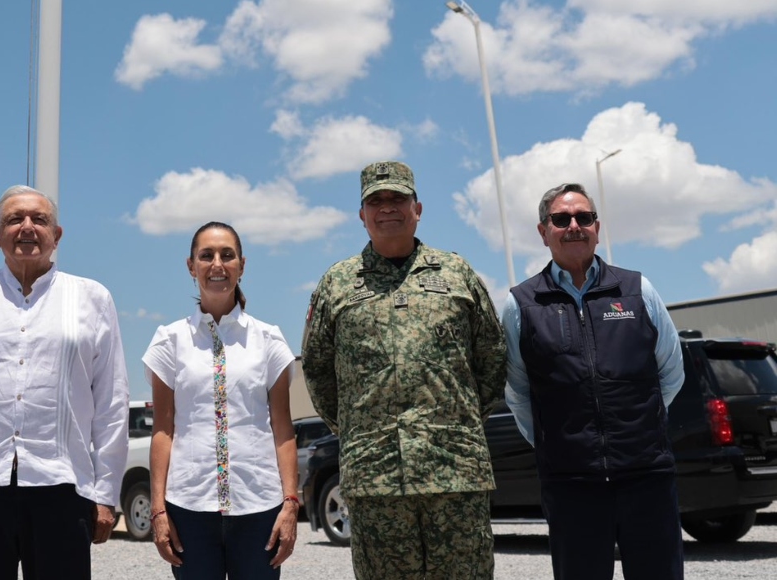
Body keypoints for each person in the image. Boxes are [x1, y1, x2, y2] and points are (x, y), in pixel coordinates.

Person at [301, 160, 506, 580]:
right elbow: (319, 371)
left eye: (398, 198)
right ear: (362, 214)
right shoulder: (337, 285)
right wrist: (360, 429)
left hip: (455, 472)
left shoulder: (456, 273)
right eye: (376, 200)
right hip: (376, 478)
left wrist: (455, 421)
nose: (387, 207)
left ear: (418, 208)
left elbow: (492, 356)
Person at [0, 185, 129, 580]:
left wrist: (104, 495)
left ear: (57, 235)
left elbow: (112, 404)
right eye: (15, 219)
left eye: (39, 219)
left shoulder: (92, 298)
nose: (27, 228)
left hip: (62, 488)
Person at [501, 182, 685, 580]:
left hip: (646, 476)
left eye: (584, 218)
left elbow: (671, 370)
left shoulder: (638, 290)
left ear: (597, 228)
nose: (574, 226)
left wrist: (640, 426)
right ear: (543, 230)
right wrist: (559, 443)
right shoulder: (521, 304)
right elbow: (517, 391)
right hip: (571, 483)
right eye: (561, 218)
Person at [143, 221, 299, 579]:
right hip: (188, 507)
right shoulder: (169, 341)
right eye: (206, 255)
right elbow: (163, 430)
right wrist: (158, 510)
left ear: (242, 265)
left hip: (259, 506)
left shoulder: (269, 340)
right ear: (191, 266)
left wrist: (290, 504)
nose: (217, 264)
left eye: (227, 255)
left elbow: (283, 429)